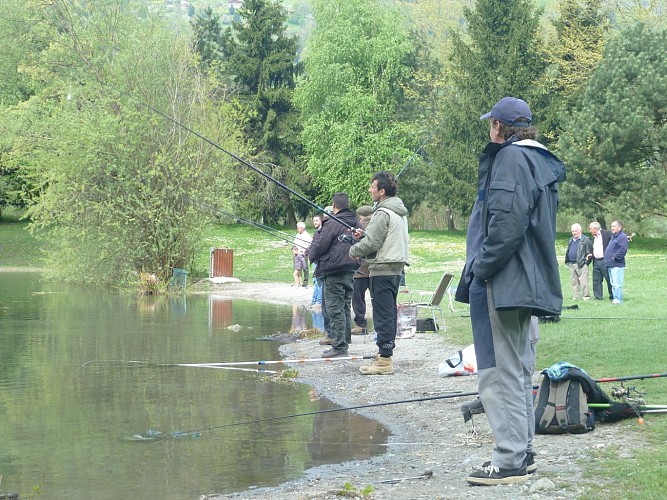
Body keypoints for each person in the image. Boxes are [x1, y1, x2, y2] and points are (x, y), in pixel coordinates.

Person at [458, 97, 565, 486]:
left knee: (499, 371)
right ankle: (523, 450)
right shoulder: (538, 160)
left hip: (504, 283)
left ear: (500, 128)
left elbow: (505, 227)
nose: (490, 130)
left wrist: (480, 269)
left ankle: (508, 460)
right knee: (518, 371)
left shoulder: (510, 159)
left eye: (492, 125)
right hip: (525, 283)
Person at [349, 171, 409, 375]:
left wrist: (353, 249)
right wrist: (364, 235)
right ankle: (384, 355)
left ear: (382, 191)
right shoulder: (398, 211)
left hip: (382, 270)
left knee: (383, 315)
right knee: (389, 313)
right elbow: (382, 238)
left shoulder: (382, 212)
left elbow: (373, 243)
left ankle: (384, 361)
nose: (369, 190)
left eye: (372, 187)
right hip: (395, 269)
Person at [307, 194, 359, 357]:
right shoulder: (355, 222)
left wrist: (311, 256)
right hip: (351, 268)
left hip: (334, 270)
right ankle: (345, 339)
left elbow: (319, 246)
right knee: (344, 305)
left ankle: (339, 346)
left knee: (334, 308)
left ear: (334, 206)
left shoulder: (332, 223)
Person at [351, 206, 373, 335]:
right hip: (374, 268)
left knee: (358, 299)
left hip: (360, 270)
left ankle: (361, 325)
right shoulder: (377, 224)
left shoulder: (358, 226)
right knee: (376, 298)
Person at [564, 223, 593, 300]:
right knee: (574, 281)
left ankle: (586, 297)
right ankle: (575, 296)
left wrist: (586, 263)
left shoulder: (586, 240)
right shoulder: (571, 239)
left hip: (581, 264)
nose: (574, 233)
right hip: (571, 264)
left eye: (576, 231)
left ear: (580, 230)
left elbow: (590, 253)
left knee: (584, 281)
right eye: (572, 231)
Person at [604, 219, 629, 304]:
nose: (612, 228)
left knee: (617, 283)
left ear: (619, 227)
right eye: (611, 226)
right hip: (610, 264)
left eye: (614, 226)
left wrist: (615, 257)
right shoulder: (614, 236)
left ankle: (618, 299)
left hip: (617, 264)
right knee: (613, 283)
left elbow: (623, 249)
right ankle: (615, 298)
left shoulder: (622, 236)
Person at [588, 222, 613, 301]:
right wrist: (591, 255)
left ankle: (612, 296)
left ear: (595, 229)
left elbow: (616, 238)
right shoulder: (593, 237)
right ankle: (598, 297)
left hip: (604, 261)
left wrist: (625, 237)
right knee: (596, 280)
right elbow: (594, 248)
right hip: (596, 261)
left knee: (609, 279)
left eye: (590, 229)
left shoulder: (607, 233)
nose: (589, 231)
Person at [309, 215, 323, 307]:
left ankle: (319, 301)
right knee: (315, 280)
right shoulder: (316, 232)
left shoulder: (323, 232)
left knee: (319, 281)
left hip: (320, 260)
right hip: (315, 260)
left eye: (317, 220)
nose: (315, 222)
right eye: (314, 221)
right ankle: (314, 300)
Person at [294, 221, 312, 287]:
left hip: (304, 254)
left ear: (302, 228)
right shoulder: (297, 235)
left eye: (298, 228)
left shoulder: (307, 236)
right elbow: (295, 244)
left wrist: (304, 251)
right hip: (297, 255)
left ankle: (305, 282)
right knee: (297, 268)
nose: (297, 229)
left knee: (305, 268)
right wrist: (294, 250)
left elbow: (310, 245)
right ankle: (298, 282)